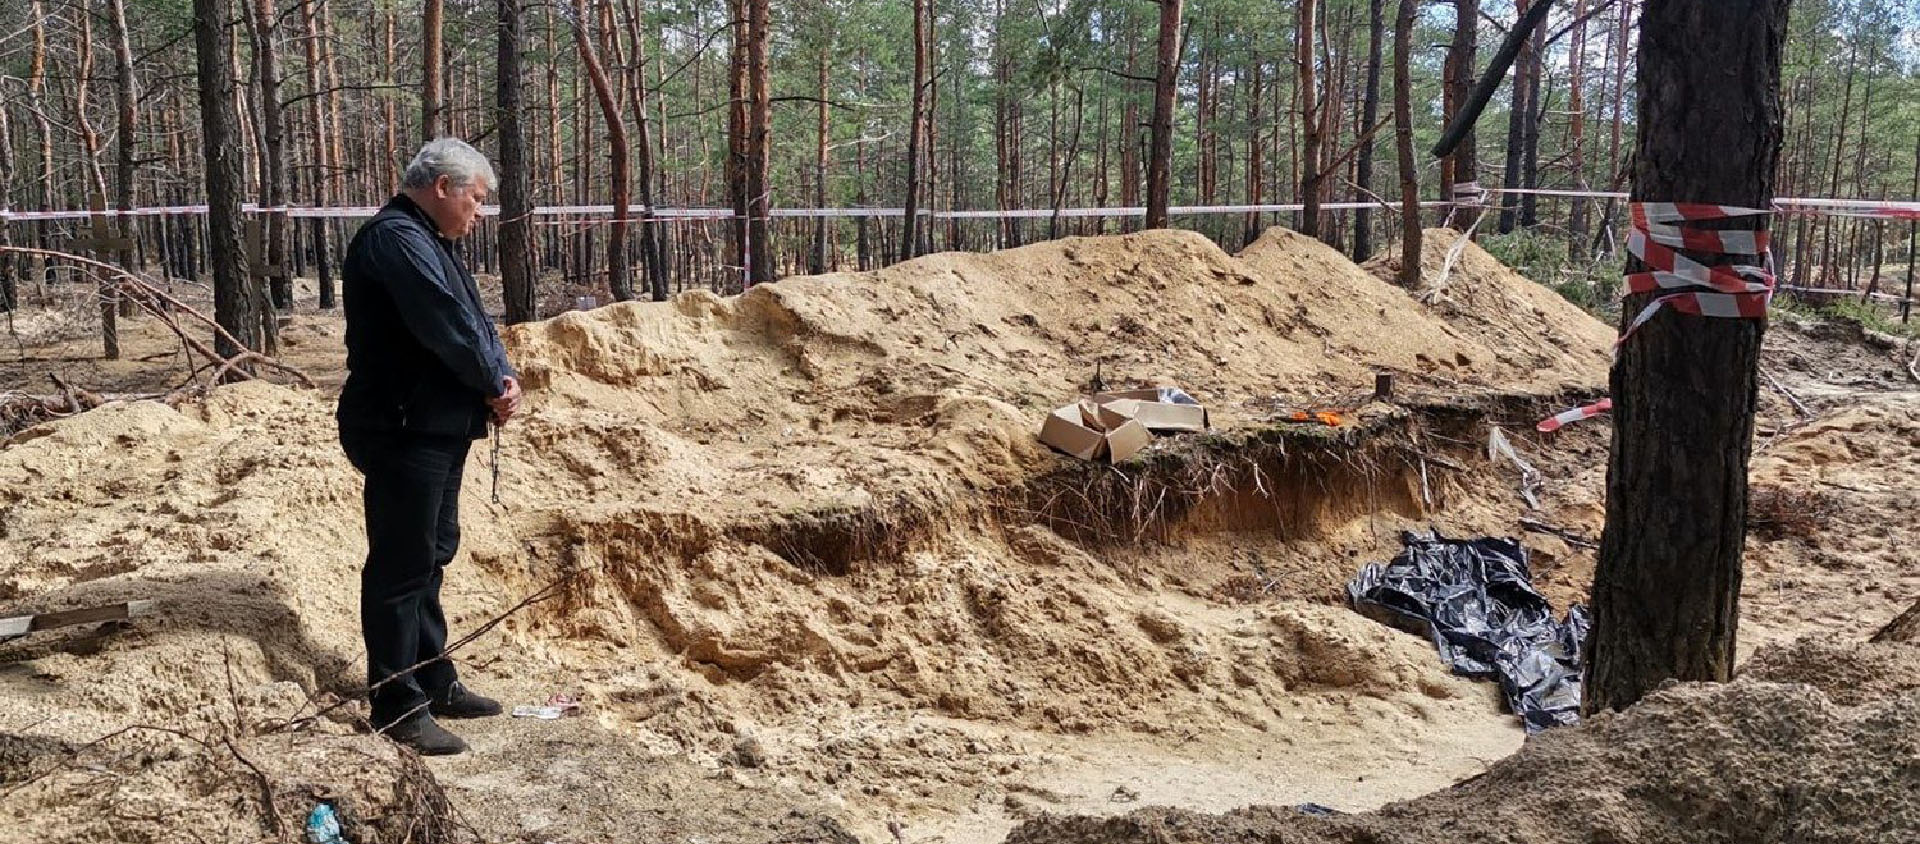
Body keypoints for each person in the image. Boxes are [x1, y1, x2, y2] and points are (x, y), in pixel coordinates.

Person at [336, 137, 522, 756]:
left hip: (435, 425)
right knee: (400, 565)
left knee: (433, 552)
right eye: (476, 198)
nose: (479, 211)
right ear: (442, 187)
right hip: (401, 428)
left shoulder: (429, 240)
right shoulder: (395, 240)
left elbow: (474, 322)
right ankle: (395, 705)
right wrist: (491, 381)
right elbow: (445, 325)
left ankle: (433, 679)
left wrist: (499, 377)